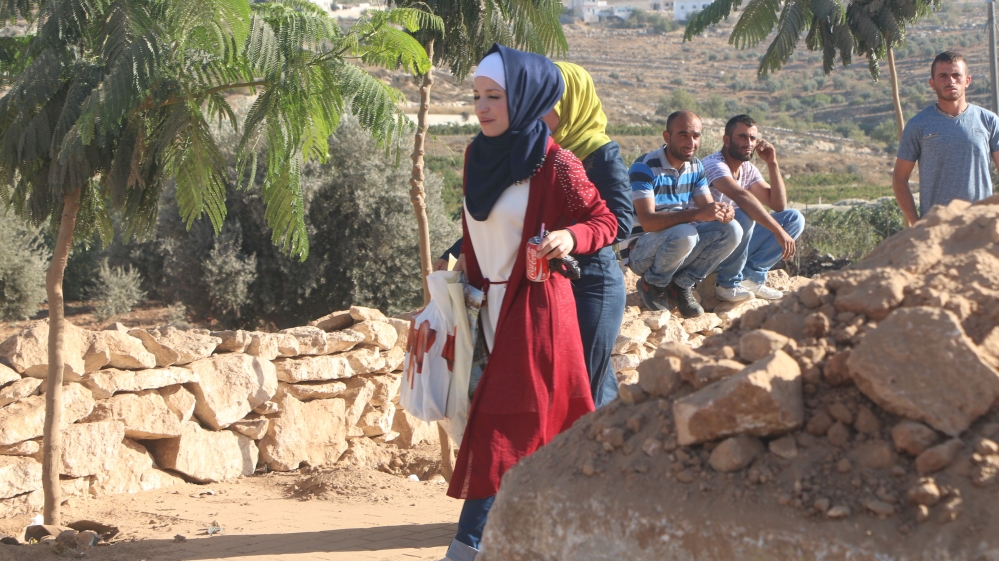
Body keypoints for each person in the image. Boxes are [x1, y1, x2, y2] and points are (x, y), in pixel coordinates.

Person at [439, 45, 618, 561]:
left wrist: (569, 236)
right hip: (481, 311)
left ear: (525, 98)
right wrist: (454, 278)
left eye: (495, 96)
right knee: (530, 434)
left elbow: (605, 220)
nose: (482, 107)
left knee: (501, 426)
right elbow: (479, 229)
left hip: (534, 314)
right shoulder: (478, 155)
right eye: (477, 96)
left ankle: (466, 548)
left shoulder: (556, 163)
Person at [539, 62, 632, 408]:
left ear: (570, 104)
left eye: (547, 102)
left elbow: (621, 221)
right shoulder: (539, 153)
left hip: (593, 280)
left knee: (584, 385)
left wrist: (571, 236)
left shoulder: (600, 153)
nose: (536, 111)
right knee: (586, 381)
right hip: (555, 280)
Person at [624, 110, 741, 318]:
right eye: (683, 135)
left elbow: (708, 209)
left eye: (696, 136)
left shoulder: (696, 167)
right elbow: (649, 223)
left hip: (677, 243)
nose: (691, 142)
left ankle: (680, 285)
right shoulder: (644, 168)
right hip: (642, 251)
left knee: (732, 229)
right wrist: (697, 214)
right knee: (686, 232)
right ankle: (653, 284)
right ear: (667, 137)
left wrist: (723, 212)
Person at [702, 115, 803, 302]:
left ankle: (750, 277)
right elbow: (741, 196)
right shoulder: (714, 164)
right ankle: (727, 284)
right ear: (726, 140)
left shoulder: (747, 168)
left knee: (794, 218)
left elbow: (778, 204)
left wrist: (772, 163)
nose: (748, 143)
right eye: (742, 137)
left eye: (752, 138)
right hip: (708, 244)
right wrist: (777, 231)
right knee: (742, 214)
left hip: (734, 242)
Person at [892, 51, 999, 226]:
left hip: (980, 228)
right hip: (936, 229)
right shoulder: (917, 125)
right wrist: (917, 224)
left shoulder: (989, 121)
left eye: (956, 75)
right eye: (943, 76)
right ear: (932, 84)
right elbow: (899, 178)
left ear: (967, 81)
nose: (950, 81)